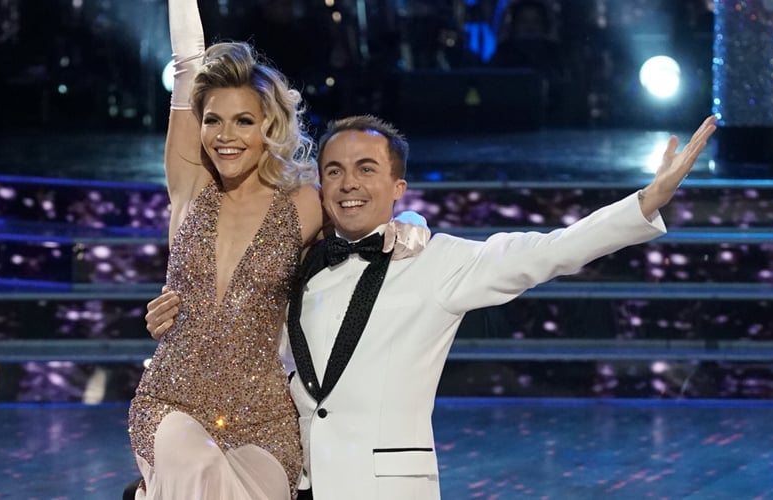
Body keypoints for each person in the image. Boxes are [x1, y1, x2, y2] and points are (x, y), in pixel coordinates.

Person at [281, 113, 717, 499]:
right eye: (334, 171)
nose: (349, 183)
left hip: (383, 487)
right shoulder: (301, 266)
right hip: (300, 484)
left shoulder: (436, 261)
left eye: (366, 168)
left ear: (399, 187)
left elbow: (550, 251)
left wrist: (647, 200)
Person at [128, 1, 427, 498]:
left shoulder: (303, 203)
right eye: (213, 121)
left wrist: (412, 223)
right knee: (199, 472)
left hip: (263, 420)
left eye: (243, 121)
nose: (225, 136)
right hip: (171, 402)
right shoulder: (190, 184)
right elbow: (187, 62)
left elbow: (366, 211)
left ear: (268, 126)